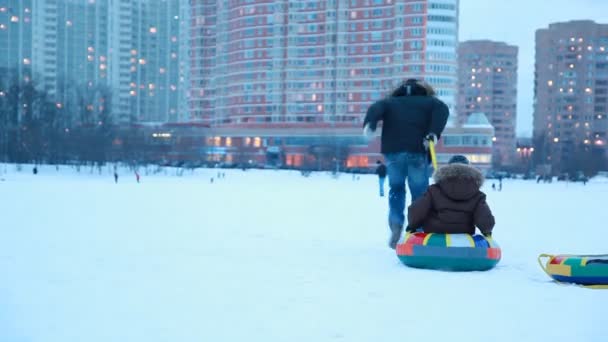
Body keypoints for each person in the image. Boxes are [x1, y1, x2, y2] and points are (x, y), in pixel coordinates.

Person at [363, 79, 450, 249]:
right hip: (417, 151)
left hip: (393, 152)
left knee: (396, 189)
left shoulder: (390, 103)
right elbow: (442, 110)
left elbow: (376, 108)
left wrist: (371, 124)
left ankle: (396, 225)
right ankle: (417, 229)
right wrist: (433, 132)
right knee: (419, 193)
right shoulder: (430, 102)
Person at [405, 155, 495, 237]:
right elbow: (485, 217)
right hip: (463, 234)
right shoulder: (476, 194)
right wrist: (487, 231)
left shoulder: (434, 190)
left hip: (435, 233)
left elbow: (417, 210)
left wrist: (412, 225)